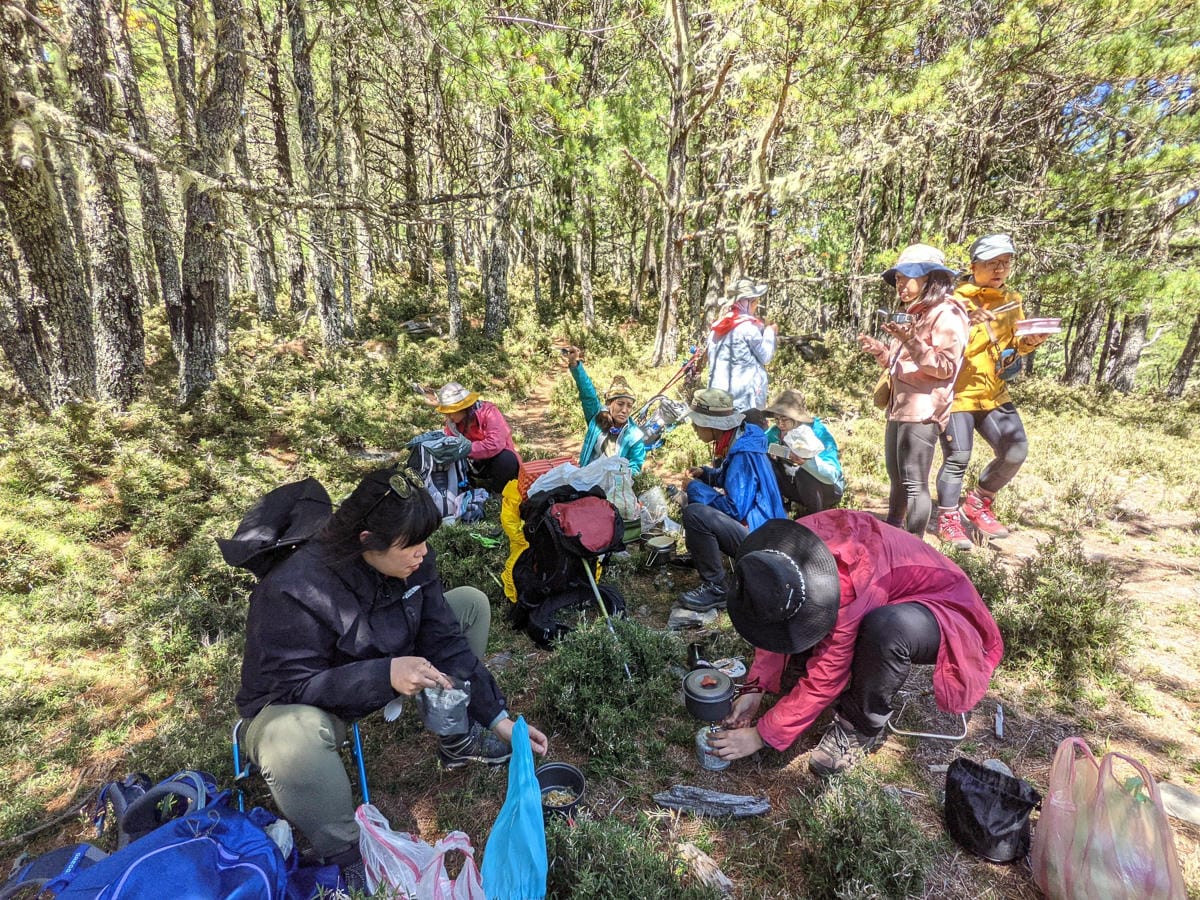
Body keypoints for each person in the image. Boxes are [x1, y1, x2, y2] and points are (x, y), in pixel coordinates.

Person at [236, 468, 549, 874]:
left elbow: (445, 640)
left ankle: (457, 739)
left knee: (470, 604)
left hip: (384, 657)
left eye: (424, 542)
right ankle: (346, 855)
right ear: (367, 541)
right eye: (411, 546)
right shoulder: (293, 588)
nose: (422, 554)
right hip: (300, 702)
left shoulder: (411, 560)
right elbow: (290, 686)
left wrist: (497, 718)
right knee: (290, 737)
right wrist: (384, 675)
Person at [705, 511, 1003, 777]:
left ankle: (858, 725)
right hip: (882, 591)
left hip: (946, 609)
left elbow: (828, 674)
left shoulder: (850, 586)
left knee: (886, 628)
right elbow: (770, 612)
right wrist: (756, 687)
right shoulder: (784, 552)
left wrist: (761, 735)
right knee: (849, 625)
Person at [934, 234, 1050, 549]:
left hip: (994, 391)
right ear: (974, 266)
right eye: (991, 263)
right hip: (958, 392)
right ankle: (947, 519)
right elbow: (942, 341)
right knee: (958, 457)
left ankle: (978, 501)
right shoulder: (954, 299)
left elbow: (1013, 346)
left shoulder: (1012, 300)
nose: (999, 269)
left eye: (1005, 263)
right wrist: (968, 323)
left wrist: (1029, 343)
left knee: (1016, 451)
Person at [858, 244, 968, 537]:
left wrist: (911, 342)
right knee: (897, 480)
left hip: (922, 412)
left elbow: (945, 366)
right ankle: (893, 536)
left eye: (907, 278)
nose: (900, 286)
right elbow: (905, 366)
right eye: (897, 279)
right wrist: (882, 351)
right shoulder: (916, 312)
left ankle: (912, 544)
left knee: (914, 482)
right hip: (899, 407)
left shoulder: (947, 313)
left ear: (931, 278)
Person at [678, 388, 786, 612]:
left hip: (762, 540)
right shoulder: (742, 438)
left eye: (697, 423)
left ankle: (716, 588)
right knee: (698, 501)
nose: (694, 428)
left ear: (712, 425)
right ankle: (700, 556)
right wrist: (706, 474)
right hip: (769, 532)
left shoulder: (743, 453)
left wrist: (696, 488)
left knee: (695, 513)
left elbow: (735, 509)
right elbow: (732, 478)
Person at [564, 346, 647, 475]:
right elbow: (588, 394)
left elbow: (635, 467)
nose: (624, 410)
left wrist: (618, 471)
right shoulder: (597, 418)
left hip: (614, 486)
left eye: (629, 406)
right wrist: (575, 364)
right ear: (609, 403)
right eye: (620, 404)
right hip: (587, 479)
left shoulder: (635, 436)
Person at [763, 388, 845, 516]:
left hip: (827, 488)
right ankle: (780, 510)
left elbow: (831, 476)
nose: (780, 424)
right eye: (776, 419)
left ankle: (815, 517)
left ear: (797, 418)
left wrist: (807, 462)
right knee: (765, 461)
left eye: (784, 419)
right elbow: (761, 443)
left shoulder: (818, 433)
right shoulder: (775, 432)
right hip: (795, 484)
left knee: (803, 473)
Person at [706, 277, 778, 411]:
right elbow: (765, 357)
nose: (756, 304)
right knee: (747, 430)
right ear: (747, 302)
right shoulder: (748, 328)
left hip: (717, 396)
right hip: (744, 400)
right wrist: (770, 332)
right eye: (755, 301)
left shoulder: (717, 328)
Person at [436, 382, 522, 493]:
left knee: (506, 459)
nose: (448, 417)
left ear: (463, 408)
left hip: (496, 460)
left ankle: (498, 490)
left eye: (451, 412)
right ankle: (466, 484)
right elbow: (451, 443)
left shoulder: (489, 412)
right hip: (472, 463)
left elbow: (495, 444)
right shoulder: (453, 424)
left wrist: (465, 448)